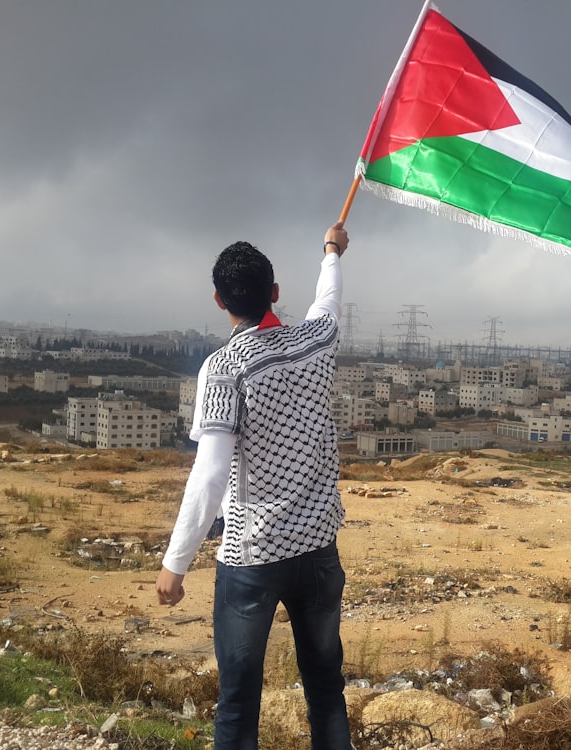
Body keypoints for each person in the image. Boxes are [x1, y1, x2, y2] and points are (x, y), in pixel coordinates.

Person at [156, 222, 352, 749]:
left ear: (219, 300)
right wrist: (331, 252)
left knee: (239, 701)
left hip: (252, 556)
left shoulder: (224, 368)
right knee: (326, 689)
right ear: (275, 293)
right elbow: (328, 303)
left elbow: (211, 472)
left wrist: (176, 564)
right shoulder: (315, 344)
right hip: (317, 550)